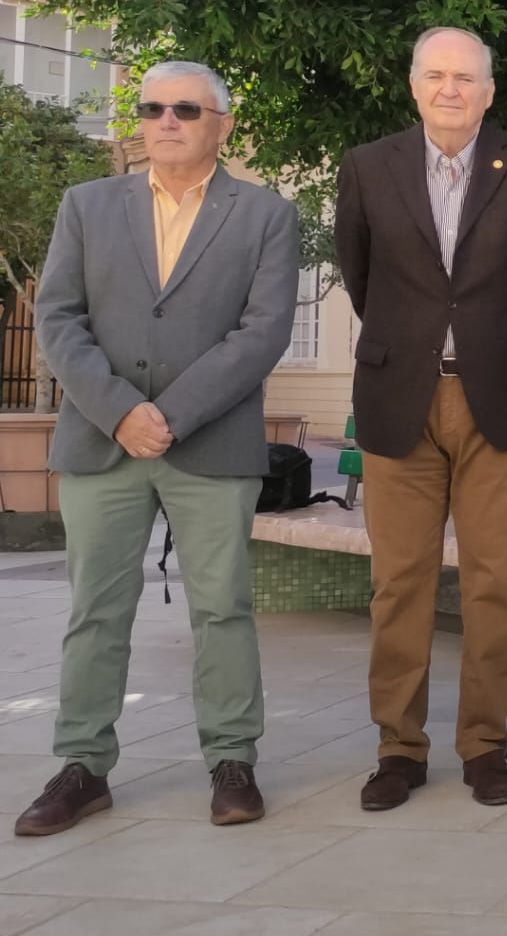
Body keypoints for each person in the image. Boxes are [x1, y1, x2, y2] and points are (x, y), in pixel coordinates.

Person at [17, 61, 297, 835]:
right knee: (96, 611)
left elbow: (261, 333)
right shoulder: (86, 205)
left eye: (185, 108)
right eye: (152, 108)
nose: (165, 120)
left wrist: (167, 414)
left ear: (223, 124)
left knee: (223, 609)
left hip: (210, 443)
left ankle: (233, 761)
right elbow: (59, 320)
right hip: (103, 443)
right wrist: (119, 412)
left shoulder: (267, 216)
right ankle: (82, 765)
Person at [335, 26, 507, 810]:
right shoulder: (368, 167)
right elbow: (362, 279)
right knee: (398, 584)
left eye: (465, 77)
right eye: (435, 75)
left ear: (490, 91)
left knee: (492, 583)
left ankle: (485, 745)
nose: (450, 89)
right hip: (399, 397)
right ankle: (398, 748)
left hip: (498, 401)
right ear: (413, 86)